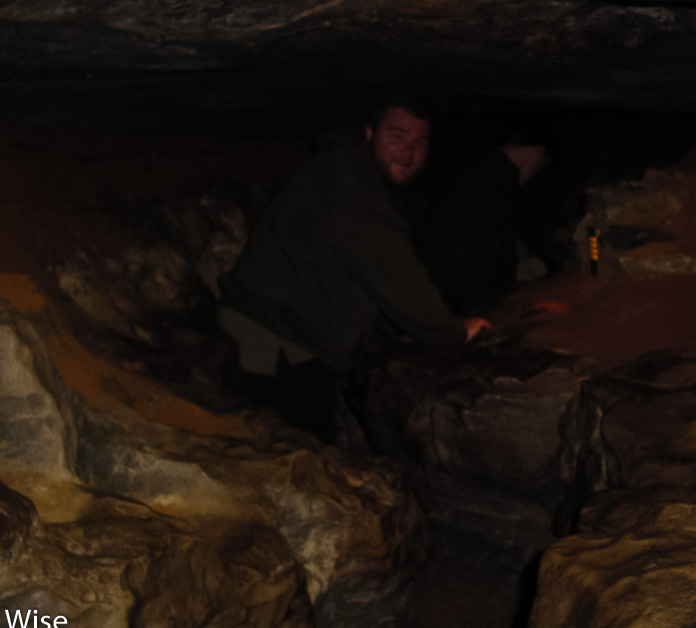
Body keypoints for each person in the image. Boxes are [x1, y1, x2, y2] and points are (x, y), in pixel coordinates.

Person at [218, 98, 489, 441]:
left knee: (284, 449)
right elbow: (392, 269)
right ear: (369, 134)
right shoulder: (347, 179)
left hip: (281, 331)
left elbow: (364, 273)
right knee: (302, 457)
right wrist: (449, 332)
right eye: (396, 136)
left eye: (419, 143)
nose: (407, 153)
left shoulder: (353, 175)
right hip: (278, 339)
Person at [421, 127, 550, 316]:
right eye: (541, 165)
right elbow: (469, 251)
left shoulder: (476, 167)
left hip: (444, 297)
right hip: (460, 306)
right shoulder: (493, 181)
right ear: (538, 152)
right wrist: (484, 310)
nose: (536, 173)